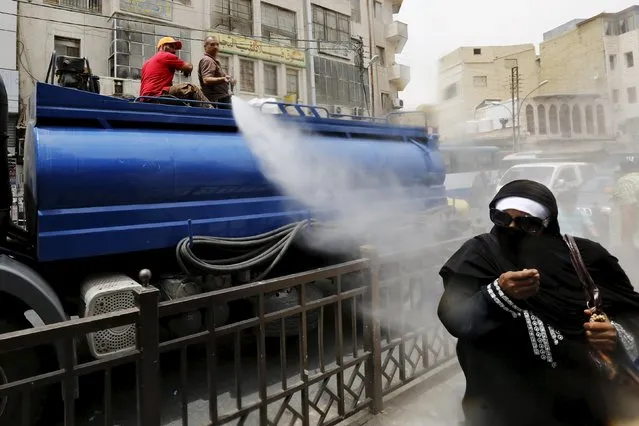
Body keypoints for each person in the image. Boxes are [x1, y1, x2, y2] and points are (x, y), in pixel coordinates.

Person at [438, 179, 639, 426]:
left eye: (527, 223)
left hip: (582, 403)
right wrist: (497, 293)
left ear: (547, 224)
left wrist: (614, 333)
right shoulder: (479, 255)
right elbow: (455, 317)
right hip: (500, 405)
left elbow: (631, 312)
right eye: (502, 219)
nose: (512, 228)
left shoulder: (586, 256)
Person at [140, 37, 210, 106]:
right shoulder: (166, 55)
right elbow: (189, 67)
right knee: (191, 88)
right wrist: (185, 69)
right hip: (159, 94)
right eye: (171, 47)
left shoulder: (147, 63)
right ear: (163, 47)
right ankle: (212, 111)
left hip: (144, 98)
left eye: (175, 48)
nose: (174, 51)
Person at [198, 36, 235, 109]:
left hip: (220, 100)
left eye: (217, 45)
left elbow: (222, 77)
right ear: (205, 47)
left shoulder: (214, 61)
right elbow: (206, 80)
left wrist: (229, 79)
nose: (215, 47)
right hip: (216, 101)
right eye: (212, 44)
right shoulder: (207, 60)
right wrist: (223, 79)